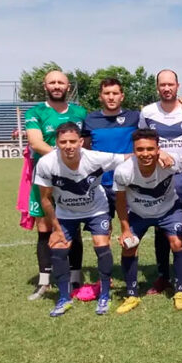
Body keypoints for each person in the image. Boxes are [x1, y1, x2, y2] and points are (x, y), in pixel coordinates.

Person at [34, 122, 125, 316]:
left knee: (101, 245)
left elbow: (127, 157)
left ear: (81, 142)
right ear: (57, 143)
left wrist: (161, 154)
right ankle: (64, 298)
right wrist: (56, 228)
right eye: (63, 142)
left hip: (97, 209)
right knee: (58, 248)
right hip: (65, 213)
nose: (68, 146)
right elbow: (45, 199)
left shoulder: (96, 158)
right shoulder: (46, 163)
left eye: (73, 141)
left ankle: (105, 295)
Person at [139, 69, 182, 295]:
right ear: (157, 87)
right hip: (158, 180)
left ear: (178, 86)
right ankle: (163, 276)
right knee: (161, 227)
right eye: (162, 85)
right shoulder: (148, 113)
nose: (166, 88)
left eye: (170, 84)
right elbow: (141, 142)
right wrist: (157, 153)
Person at [24, 70, 87, 300]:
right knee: (44, 227)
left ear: (68, 87)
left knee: (73, 226)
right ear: (45, 86)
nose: (57, 86)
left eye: (61, 82)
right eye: (52, 82)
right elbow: (35, 142)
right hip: (45, 176)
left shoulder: (80, 112)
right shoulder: (35, 112)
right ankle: (44, 282)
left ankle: (75, 278)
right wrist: (65, 156)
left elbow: (87, 143)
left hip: (73, 177)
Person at [112, 129, 182, 313]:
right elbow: (120, 202)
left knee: (177, 243)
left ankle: (180, 291)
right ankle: (132, 294)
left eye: (150, 149)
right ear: (134, 150)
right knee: (129, 246)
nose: (145, 153)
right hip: (138, 214)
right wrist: (125, 230)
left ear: (158, 149)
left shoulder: (170, 163)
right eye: (140, 149)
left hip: (169, 211)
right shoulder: (123, 171)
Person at [82, 78, 140, 219]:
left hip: (128, 181)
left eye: (115, 93)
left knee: (130, 225)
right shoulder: (90, 120)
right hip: (101, 183)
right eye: (107, 93)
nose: (111, 97)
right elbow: (85, 149)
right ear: (100, 96)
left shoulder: (135, 117)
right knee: (103, 226)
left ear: (122, 96)